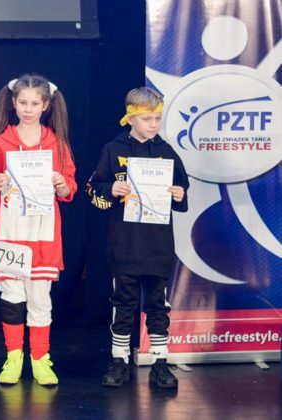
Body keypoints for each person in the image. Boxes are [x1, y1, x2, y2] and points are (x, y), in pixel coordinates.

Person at [0, 74, 77, 386]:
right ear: (13, 103)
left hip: (42, 234)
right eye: (23, 103)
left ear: (46, 105)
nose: (28, 109)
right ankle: (14, 357)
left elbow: (69, 186)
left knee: (40, 298)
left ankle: (41, 359)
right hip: (10, 232)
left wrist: (62, 184)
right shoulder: (2, 143)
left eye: (34, 103)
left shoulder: (56, 144)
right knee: (12, 297)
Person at [86, 86, 189, 389]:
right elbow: (93, 190)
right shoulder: (113, 149)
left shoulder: (166, 151)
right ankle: (119, 361)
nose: (154, 124)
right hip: (125, 243)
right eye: (147, 119)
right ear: (130, 118)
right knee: (124, 303)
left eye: (157, 118)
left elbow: (182, 191)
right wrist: (110, 190)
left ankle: (160, 363)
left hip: (158, 244)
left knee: (157, 305)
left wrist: (179, 194)